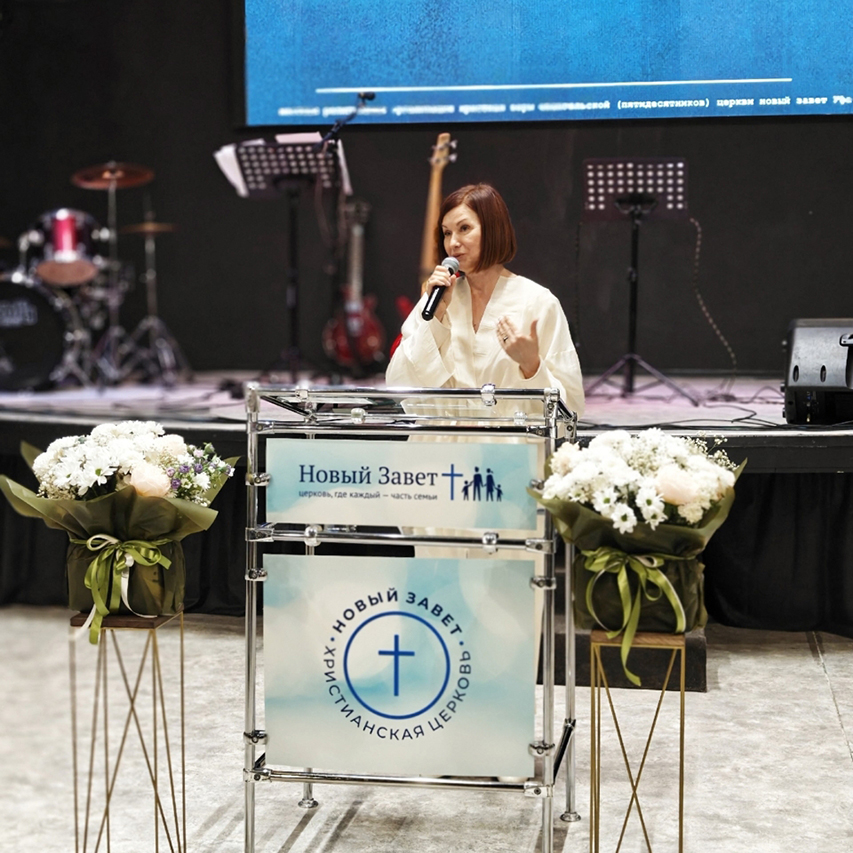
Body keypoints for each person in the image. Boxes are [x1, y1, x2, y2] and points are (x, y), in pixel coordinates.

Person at [386, 183, 584, 416]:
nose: (453, 243)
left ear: (493, 230)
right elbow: (398, 384)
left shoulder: (538, 302)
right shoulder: (437, 298)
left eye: (464, 228)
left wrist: (532, 366)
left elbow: (571, 410)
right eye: (447, 233)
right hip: (443, 437)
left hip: (506, 438)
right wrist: (436, 320)